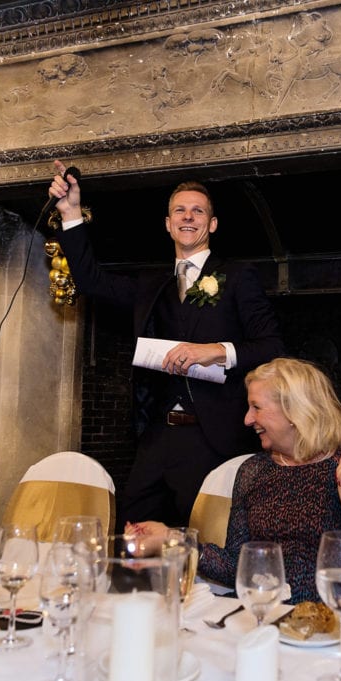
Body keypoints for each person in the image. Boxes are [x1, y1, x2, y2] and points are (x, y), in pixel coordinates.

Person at [49, 162, 286, 526]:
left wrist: (217, 350)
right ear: (167, 223)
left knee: (207, 540)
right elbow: (91, 280)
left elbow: (272, 346)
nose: (187, 217)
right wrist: (71, 212)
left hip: (214, 438)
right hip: (157, 436)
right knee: (133, 532)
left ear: (212, 224)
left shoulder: (238, 277)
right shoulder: (150, 284)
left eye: (198, 211)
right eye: (180, 210)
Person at [135, 358, 341, 603]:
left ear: (295, 413)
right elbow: (237, 565)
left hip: (329, 622)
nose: (247, 419)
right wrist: (172, 539)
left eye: (257, 408)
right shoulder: (253, 471)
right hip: (262, 614)